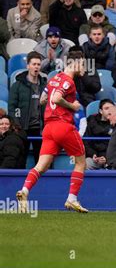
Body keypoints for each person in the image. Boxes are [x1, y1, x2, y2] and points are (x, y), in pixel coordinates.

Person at [16, 47, 89, 213]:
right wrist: (73, 106)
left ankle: (24, 191)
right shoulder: (69, 81)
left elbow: (43, 99)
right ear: (75, 63)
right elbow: (56, 98)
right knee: (80, 162)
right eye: (83, 64)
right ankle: (72, 199)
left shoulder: (54, 78)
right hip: (63, 125)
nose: (84, 68)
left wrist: (54, 103)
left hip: (48, 127)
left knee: (41, 166)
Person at [8, 51, 46, 164]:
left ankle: (41, 182)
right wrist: (17, 126)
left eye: (38, 64)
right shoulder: (17, 85)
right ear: (28, 65)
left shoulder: (45, 86)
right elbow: (12, 107)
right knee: (20, 159)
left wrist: (46, 125)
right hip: (22, 128)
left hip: (39, 129)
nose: (36, 67)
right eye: (34, 64)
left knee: (41, 162)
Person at [84, 98, 114, 170]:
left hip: (112, 158)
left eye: (112, 108)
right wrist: (93, 155)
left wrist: (106, 157)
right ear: (101, 111)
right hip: (95, 157)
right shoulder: (92, 122)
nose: (110, 111)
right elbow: (86, 142)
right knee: (86, 164)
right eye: (106, 108)